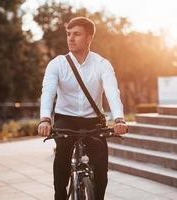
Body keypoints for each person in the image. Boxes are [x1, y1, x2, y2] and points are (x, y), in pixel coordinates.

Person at [38, 17, 128, 200]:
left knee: (101, 171)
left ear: (89, 38)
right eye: (68, 34)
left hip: (93, 120)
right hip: (66, 118)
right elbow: (48, 92)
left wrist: (119, 119)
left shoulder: (102, 64)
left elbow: (112, 92)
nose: (70, 38)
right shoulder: (57, 64)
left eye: (76, 34)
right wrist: (45, 119)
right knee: (61, 162)